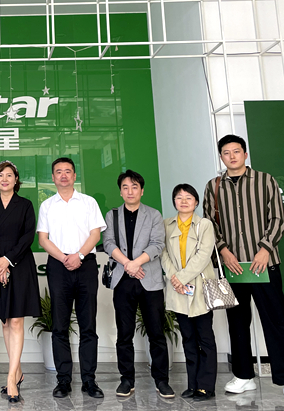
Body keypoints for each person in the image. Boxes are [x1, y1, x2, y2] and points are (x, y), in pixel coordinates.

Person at [203, 134, 284, 404]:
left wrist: (265, 248)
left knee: (276, 321)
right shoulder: (213, 186)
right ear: (221, 157)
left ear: (245, 154)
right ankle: (243, 375)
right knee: (237, 322)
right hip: (233, 266)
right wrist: (223, 251)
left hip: (264, 263)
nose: (232, 156)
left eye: (236, 151)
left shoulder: (265, 180)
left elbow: (277, 217)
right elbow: (209, 223)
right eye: (226, 153)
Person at [37, 157, 106, 399]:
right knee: (59, 326)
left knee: (88, 326)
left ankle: (89, 380)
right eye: (59, 172)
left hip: (86, 265)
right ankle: (63, 381)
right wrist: (65, 258)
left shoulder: (88, 202)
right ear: (53, 177)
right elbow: (43, 239)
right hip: (58, 267)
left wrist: (79, 256)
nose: (63, 175)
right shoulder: (47, 205)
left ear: (75, 176)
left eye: (68, 171)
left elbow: (95, 234)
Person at [103, 169, 173, 399]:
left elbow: (157, 244)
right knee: (124, 334)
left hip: (149, 280)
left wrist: (136, 263)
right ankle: (126, 380)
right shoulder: (112, 215)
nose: (130, 191)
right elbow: (108, 243)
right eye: (125, 187)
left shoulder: (153, 215)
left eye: (134, 187)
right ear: (120, 192)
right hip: (123, 281)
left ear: (142, 191)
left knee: (156, 333)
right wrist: (127, 264)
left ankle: (161, 380)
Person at [0, 161, 40, 403]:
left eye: (9, 175)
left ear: (16, 179)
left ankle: (10, 378)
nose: (4, 179)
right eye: (0, 175)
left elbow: (28, 236)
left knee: (16, 320)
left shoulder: (25, 205)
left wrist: (8, 260)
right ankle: (17, 371)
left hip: (20, 265)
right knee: (5, 321)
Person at [161, 184, 217, 401]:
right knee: (188, 339)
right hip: (178, 290)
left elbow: (204, 255)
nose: (183, 201)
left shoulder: (204, 225)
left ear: (196, 202)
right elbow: (163, 254)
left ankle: (206, 386)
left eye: (188, 197)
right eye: (179, 197)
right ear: (174, 201)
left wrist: (181, 278)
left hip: (200, 288)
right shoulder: (166, 225)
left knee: (205, 338)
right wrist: (174, 278)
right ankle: (192, 384)